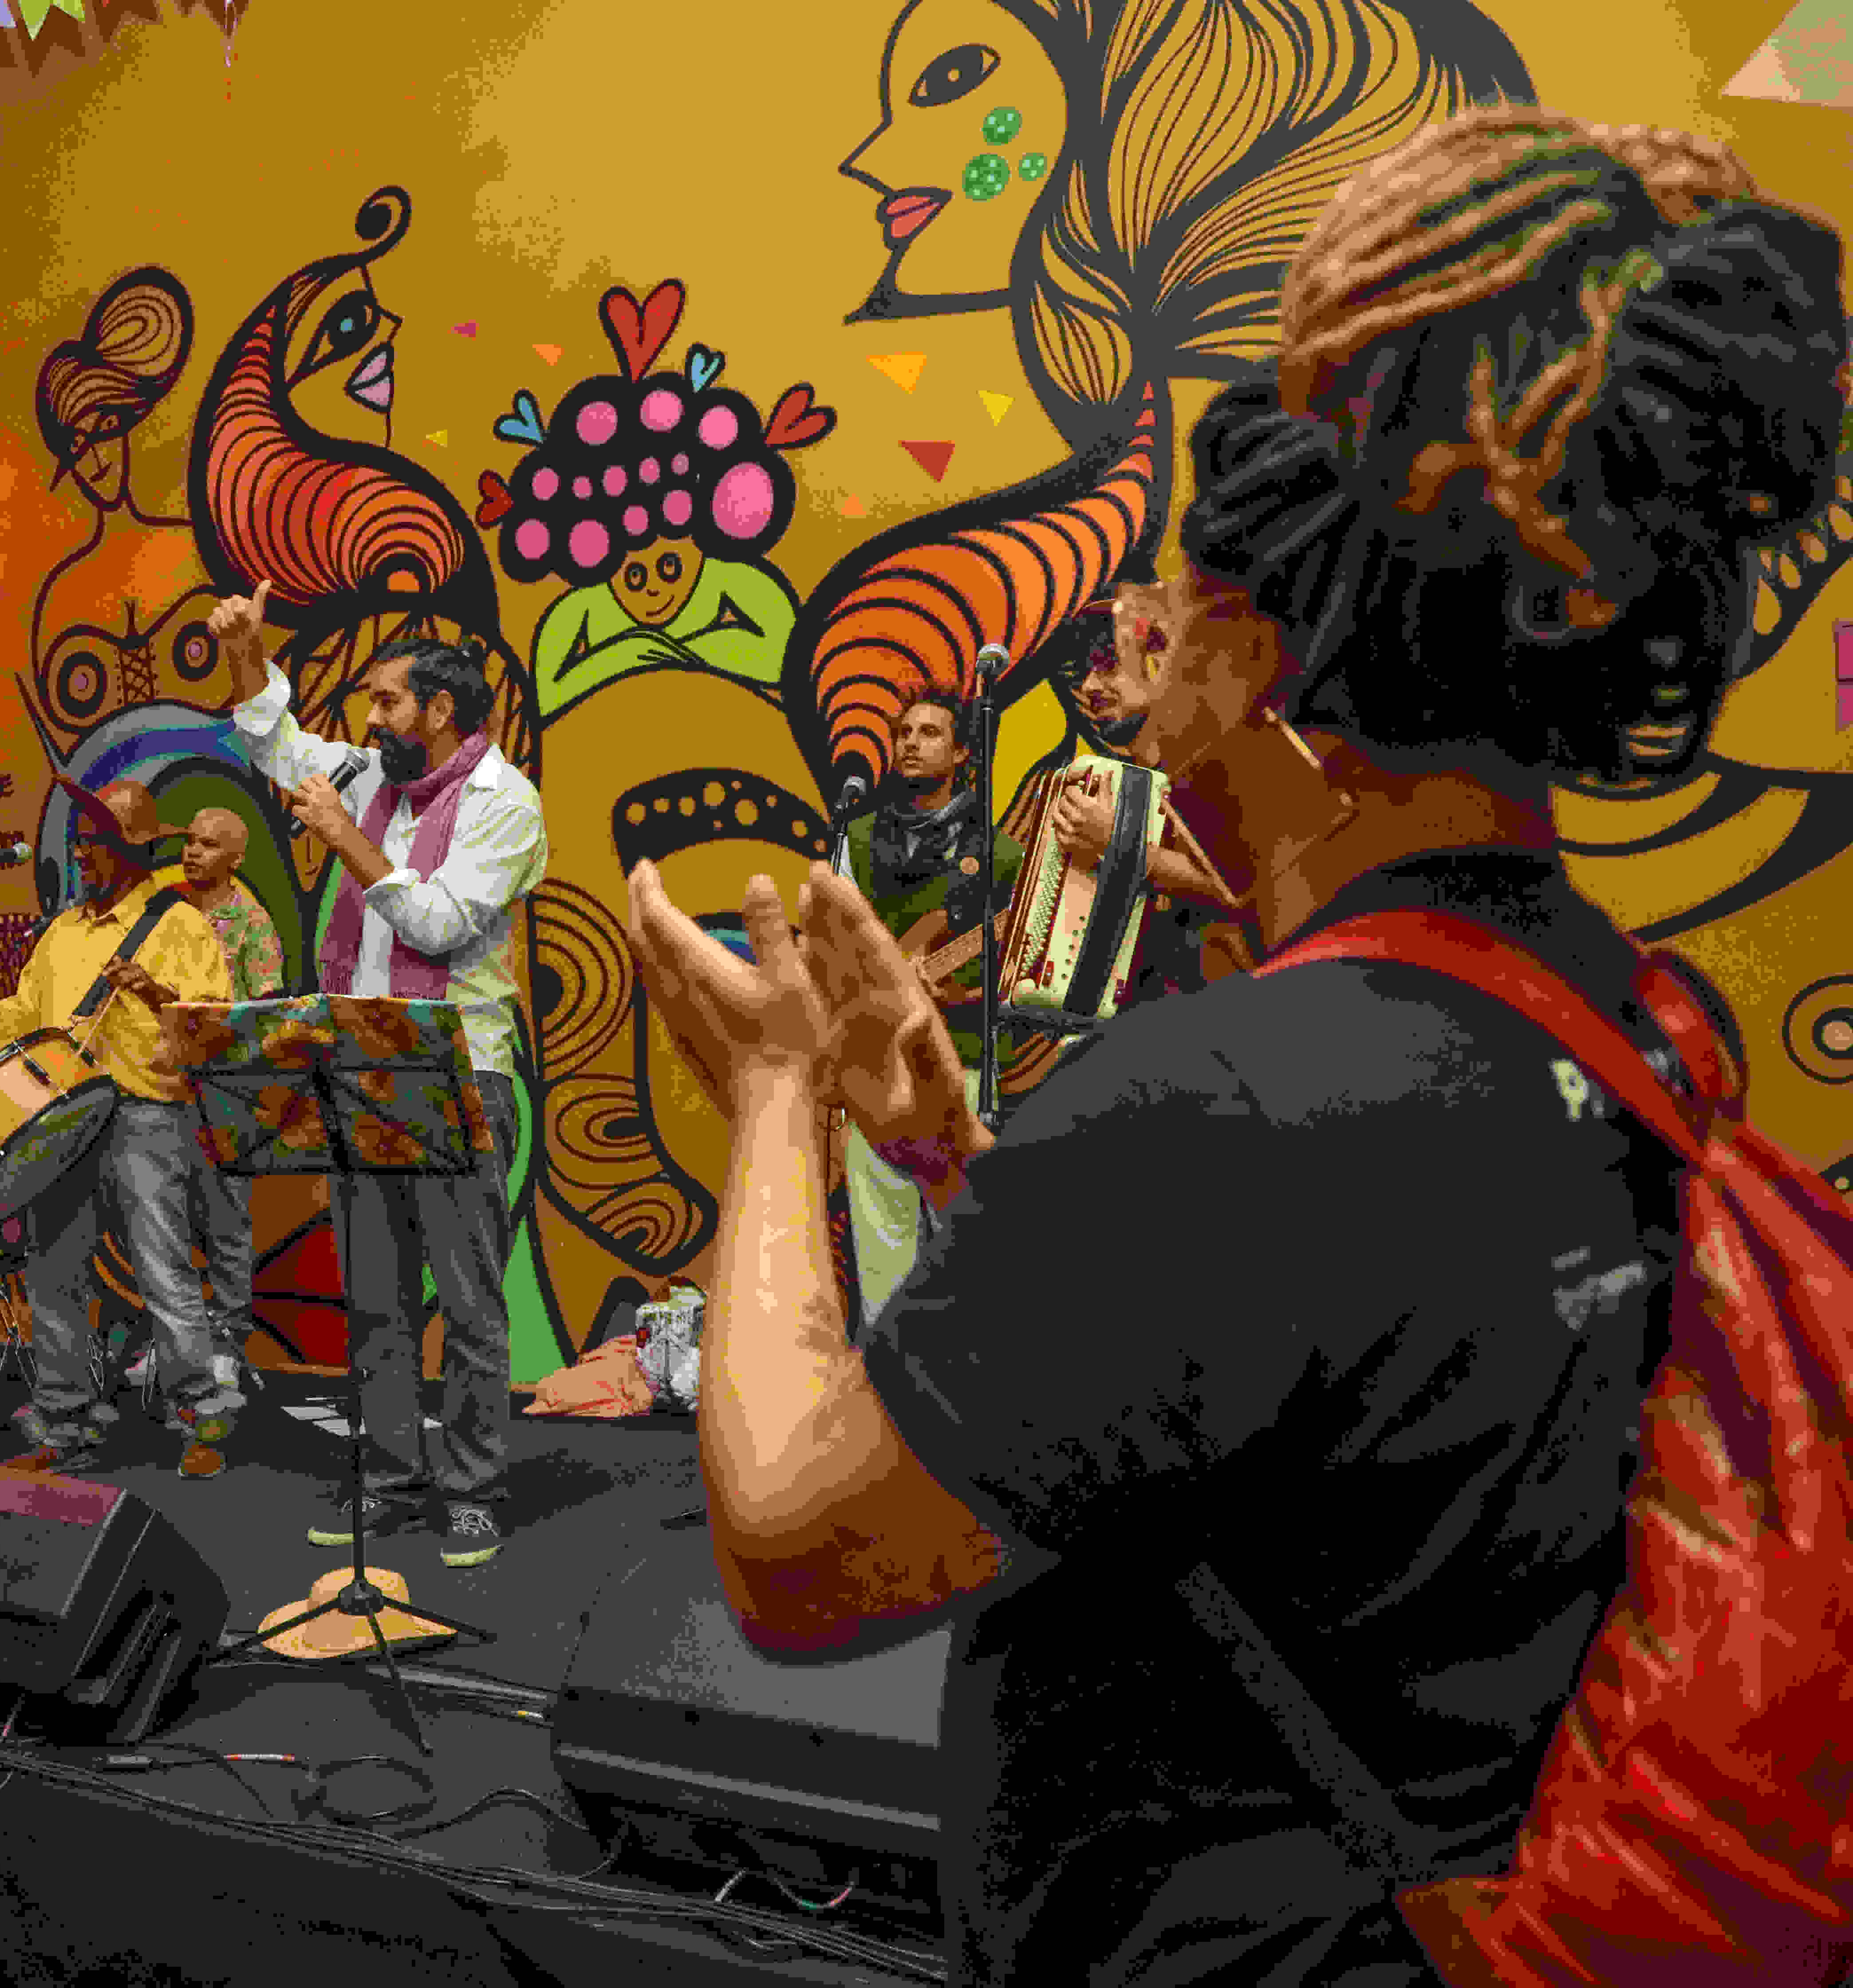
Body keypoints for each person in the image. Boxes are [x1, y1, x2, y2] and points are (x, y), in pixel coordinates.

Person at [624, 106, 1843, 1988]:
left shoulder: (1216, 1115)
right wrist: (948, 1160)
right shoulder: (1615, 1014)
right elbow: (1267, 1380)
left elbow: (797, 1549)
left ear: (1252, 657)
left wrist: (774, 1094)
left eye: (1165, 606)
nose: (1135, 660)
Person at [213, 581, 549, 1567]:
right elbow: (277, 742)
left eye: (386, 701)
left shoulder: (504, 802)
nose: (367, 720)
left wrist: (344, 839)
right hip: (363, 1066)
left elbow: (439, 923)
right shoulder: (371, 779)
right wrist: (246, 652)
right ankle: (395, 1478)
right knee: (377, 1299)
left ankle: (474, 1488)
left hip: (460, 1071)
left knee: (470, 1302)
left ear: (440, 710)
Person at [0, 776, 239, 1477]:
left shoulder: (179, 924)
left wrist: (156, 992)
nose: (80, 853)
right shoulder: (63, 931)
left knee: (162, 1267)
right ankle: (66, 1418)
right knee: (54, 1268)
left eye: (93, 842)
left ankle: (201, 1416)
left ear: (129, 850)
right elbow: (27, 1014)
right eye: (77, 841)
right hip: (67, 1112)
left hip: (144, 1111)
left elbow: (215, 1024)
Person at [834, 693, 1026, 1327]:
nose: (912, 743)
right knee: (881, 1242)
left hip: (962, 1060)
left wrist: (962, 998)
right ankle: (885, 1371)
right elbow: (833, 945)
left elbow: (1022, 974)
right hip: (875, 1065)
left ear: (963, 751)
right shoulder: (858, 838)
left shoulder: (999, 854)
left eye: (930, 733)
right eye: (904, 733)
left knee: (966, 1237)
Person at [134, 806, 284, 1398]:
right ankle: (175, 1345)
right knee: (164, 1223)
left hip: (224, 1091)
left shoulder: (252, 923)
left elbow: (265, 1015)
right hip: (159, 1087)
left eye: (209, 845)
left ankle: (225, 1346)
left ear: (236, 858)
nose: (193, 852)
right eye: (190, 841)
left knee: (225, 1223)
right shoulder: (163, 908)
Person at [1050, 595, 1249, 1005]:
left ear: (1163, 663)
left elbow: (1242, 887)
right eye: (1085, 672)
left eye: (1107, 664)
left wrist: (1118, 845)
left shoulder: (1218, 763)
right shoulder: (1117, 785)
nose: (1089, 688)